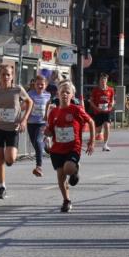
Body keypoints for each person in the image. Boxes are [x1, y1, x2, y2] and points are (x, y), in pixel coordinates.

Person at [0, 63, 33, 199]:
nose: (5, 77)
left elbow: (30, 102)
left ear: (12, 76)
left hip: (13, 129)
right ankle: (2, 187)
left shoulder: (17, 89)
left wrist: (24, 120)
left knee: (9, 159)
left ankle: (9, 157)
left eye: (8, 75)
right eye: (3, 74)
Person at [45, 81, 96, 213]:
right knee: (61, 176)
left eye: (68, 92)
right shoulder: (53, 112)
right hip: (57, 149)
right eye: (62, 92)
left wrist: (92, 141)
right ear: (58, 94)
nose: (65, 94)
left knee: (68, 169)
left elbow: (90, 121)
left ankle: (75, 169)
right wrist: (47, 134)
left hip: (73, 147)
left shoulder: (76, 109)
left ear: (72, 95)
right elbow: (50, 130)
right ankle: (66, 201)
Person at [26, 75, 52, 177]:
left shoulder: (48, 95)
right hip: (31, 123)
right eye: (38, 84)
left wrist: (47, 117)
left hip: (42, 123)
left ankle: (39, 166)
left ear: (45, 85)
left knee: (37, 142)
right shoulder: (30, 94)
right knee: (35, 144)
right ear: (34, 85)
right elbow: (26, 105)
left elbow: (48, 107)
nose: (40, 86)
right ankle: (46, 144)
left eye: (42, 84)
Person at [90, 72, 115, 151]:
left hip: (107, 111)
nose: (103, 81)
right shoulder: (95, 90)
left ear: (106, 80)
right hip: (98, 112)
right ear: (99, 81)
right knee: (98, 129)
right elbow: (91, 102)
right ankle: (97, 134)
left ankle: (105, 145)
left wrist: (111, 106)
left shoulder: (111, 90)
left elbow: (112, 100)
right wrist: (97, 108)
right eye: (101, 80)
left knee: (107, 126)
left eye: (104, 79)